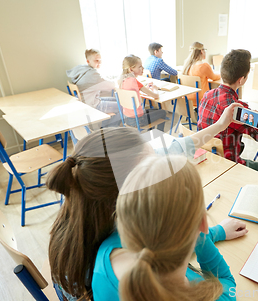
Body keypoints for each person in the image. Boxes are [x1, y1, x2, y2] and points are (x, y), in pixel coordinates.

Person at [48, 102, 244, 301]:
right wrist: (198, 230)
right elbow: (227, 290)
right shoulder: (154, 278)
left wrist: (220, 125)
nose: (160, 162)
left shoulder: (85, 208)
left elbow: (177, 148)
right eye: (152, 164)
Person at [96, 155, 246, 301]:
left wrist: (211, 230)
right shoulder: (217, 297)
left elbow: (166, 239)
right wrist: (203, 232)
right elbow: (226, 282)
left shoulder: (104, 259)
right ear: (202, 223)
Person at [198, 49, 258, 178]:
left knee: (240, 144)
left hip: (207, 154)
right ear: (241, 80)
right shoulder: (238, 109)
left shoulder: (207, 94)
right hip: (227, 163)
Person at [118, 55, 167, 130]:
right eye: (139, 66)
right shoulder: (134, 81)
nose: (143, 68)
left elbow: (134, 93)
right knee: (163, 112)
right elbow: (155, 95)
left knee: (154, 111)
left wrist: (144, 89)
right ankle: (159, 133)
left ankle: (151, 133)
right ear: (131, 69)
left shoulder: (122, 80)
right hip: (138, 119)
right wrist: (155, 88)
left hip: (127, 118)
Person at [66, 49, 119, 115]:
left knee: (117, 100)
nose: (99, 63)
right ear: (88, 61)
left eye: (100, 60)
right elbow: (111, 85)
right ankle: (113, 124)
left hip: (88, 102)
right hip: (92, 106)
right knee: (122, 106)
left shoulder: (82, 69)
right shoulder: (91, 75)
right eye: (96, 60)